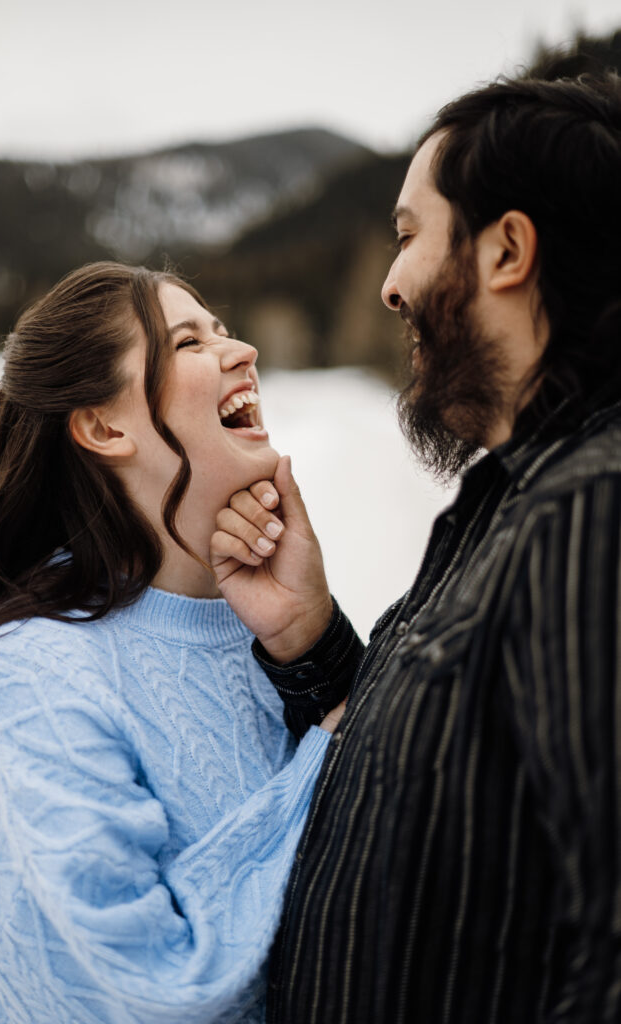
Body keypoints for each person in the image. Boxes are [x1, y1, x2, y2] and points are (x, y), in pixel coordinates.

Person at [210, 73, 621, 1022]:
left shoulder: (589, 510)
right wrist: (312, 640)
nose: (390, 286)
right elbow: (446, 803)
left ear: (506, 250)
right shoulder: (514, 504)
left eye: (408, 235)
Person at [0, 261, 343, 1024]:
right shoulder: (38, 670)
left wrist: (309, 635)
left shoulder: (265, 620)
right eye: (189, 342)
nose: (241, 350)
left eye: (222, 328)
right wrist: (328, 757)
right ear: (103, 425)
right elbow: (141, 990)